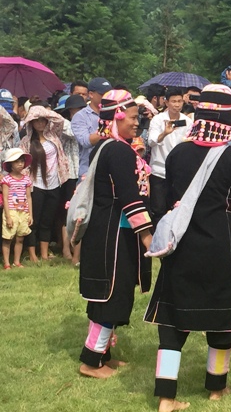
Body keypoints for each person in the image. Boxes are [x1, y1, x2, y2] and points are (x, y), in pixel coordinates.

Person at [144, 84, 231, 411]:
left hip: (179, 244)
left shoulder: (177, 153)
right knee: (221, 317)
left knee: (172, 321)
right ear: (228, 118)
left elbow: (171, 199)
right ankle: (216, 389)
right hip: (218, 246)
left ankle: (166, 397)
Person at [78, 89, 153, 379]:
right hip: (114, 234)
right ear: (117, 118)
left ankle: (102, 354)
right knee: (111, 295)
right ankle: (91, 361)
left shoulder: (107, 146)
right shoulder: (119, 151)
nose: (136, 123)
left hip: (108, 231)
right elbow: (129, 197)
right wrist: (147, 237)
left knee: (107, 293)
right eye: (132, 117)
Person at [20, 106, 69, 262]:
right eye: (37, 121)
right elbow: (22, 164)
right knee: (34, 220)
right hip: (35, 185)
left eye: (43, 121)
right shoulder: (26, 141)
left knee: (48, 220)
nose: (40, 123)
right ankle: (32, 254)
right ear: (31, 123)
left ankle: (44, 253)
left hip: (54, 184)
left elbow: (60, 120)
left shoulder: (54, 136)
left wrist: (42, 112)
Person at [148, 88, 193, 226]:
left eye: (179, 101)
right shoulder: (158, 120)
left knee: (176, 208)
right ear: (166, 103)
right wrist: (165, 133)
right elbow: (151, 141)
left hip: (179, 173)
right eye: (173, 101)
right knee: (158, 209)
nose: (177, 105)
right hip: (159, 171)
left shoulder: (187, 121)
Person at [57, 94, 87, 264]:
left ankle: (77, 250)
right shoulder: (65, 125)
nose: (80, 113)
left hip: (82, 172)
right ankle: (66, 249)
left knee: (80, 212)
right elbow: (75, 133)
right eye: (76, 110)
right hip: (69, 174)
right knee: (68, 212)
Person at [71, 77, 112, 180]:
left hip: (110, 170)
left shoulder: (116, 114)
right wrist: (108, 127)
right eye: (103, 94)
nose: (107, 97)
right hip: (88, 172)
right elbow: (86, 141)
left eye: (109, 94)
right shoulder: (80, 116)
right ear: (91, 94)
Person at [1, 148, 33, 269]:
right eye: (17, 161)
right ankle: (6, 263)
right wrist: (8, 216)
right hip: (11, 211)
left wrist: (30, 214)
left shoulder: (26, 179)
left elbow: (29, 197)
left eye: (22, 161)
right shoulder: (7, 180)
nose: (20, 164)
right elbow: (5, 198)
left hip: (23, 212)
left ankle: (17, 261)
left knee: (20, 238)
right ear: (10, 164)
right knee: (8, 238)